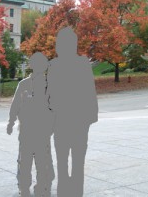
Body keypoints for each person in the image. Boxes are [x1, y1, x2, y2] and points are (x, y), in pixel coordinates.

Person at [47, 27, 98, 197]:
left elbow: (90, 93)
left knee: (71, 161)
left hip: (72, 122)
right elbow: (50, 95)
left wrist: (89, 120)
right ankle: (73, 191)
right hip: (66, 122)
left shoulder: (80, 64)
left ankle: (70, 191)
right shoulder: (56, 65)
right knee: (69, 161)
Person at [7, 52, 55, 197]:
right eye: (36, 63)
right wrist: (11, 122)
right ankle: (23, 187)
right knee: (24, 162)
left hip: (43, 132)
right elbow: (15, 105)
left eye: (43, 64)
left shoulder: (50, 85)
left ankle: (43, 187)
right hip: (26, 131)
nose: (40, 66)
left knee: (44, 163)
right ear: (32, 65)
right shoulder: (24, 84)